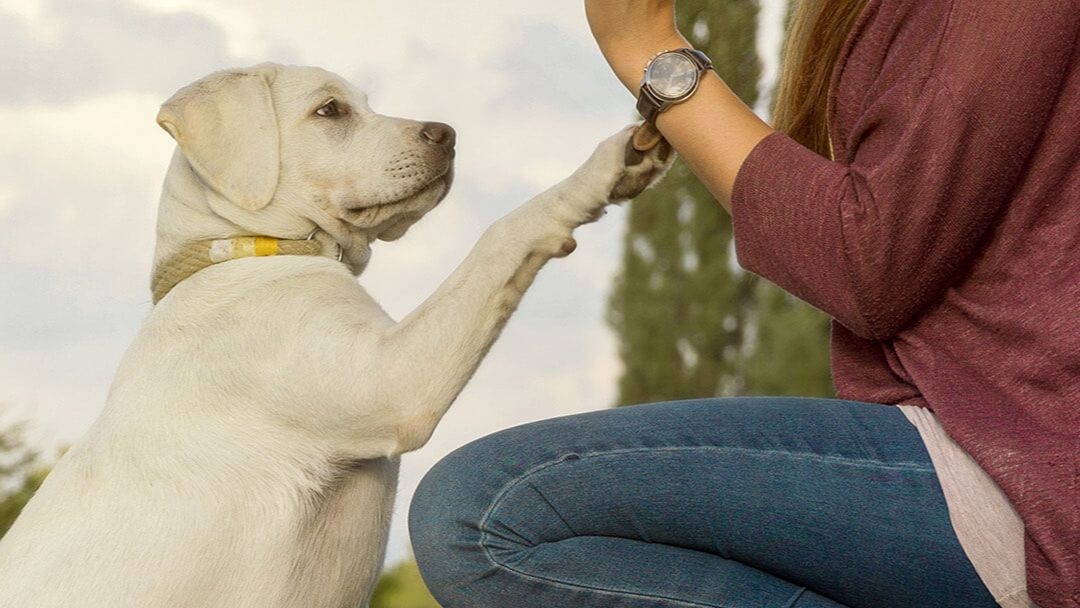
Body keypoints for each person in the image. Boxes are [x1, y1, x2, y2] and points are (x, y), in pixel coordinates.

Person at [409, 0, 1080, 606]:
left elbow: (865, 258)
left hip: (1027, 466)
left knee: (487, 517)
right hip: (993, 443)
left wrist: (647, 50)